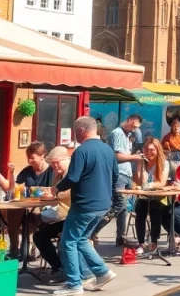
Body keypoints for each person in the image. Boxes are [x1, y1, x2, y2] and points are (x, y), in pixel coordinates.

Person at [54, 116, 118, 295]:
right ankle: (102, 272)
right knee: (81, 239)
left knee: (68, 242)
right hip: (103, 204)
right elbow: (115, 176)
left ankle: (74, 284)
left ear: (81, 130)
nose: (75, 135)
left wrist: (56, 188)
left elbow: (73, 178)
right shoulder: (107, 149)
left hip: (84, 204)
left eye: (76, 132)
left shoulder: (81, 151)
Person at [99, 114, 144, 246]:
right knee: (118, 205)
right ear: (129, 120)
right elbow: (118, 157)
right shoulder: (117, 133)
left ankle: (121, 236)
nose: (134, 129)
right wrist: (135, 157)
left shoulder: (126, 135)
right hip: (119, 174)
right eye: (134, 126)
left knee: (123, 208)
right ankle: (94, 230)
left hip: (126, 174)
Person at [7, 141, 55, 257]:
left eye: (32, 158)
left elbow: (51, 191)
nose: (29, 161)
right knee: (12, 213)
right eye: (28, 158)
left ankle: (31, 244)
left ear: (42, 155)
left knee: (34, 214)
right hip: (27, 206)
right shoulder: (27, 171)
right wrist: (11, 174)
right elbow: (15, 188)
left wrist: (30, 191)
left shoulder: (51, 171)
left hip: (47, 207)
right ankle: (14, 248)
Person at [34, 146, 72, 284]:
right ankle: (58, 268)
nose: (54, 166)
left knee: (41, 228)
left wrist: (54, 194)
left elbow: (66, 194)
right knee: (39, 233)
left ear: (67, 159)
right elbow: (53, 192)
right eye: (52, 163)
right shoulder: (58, 175)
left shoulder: (72, 174)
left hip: (71, 216)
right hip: (61, 214)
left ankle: (62, 270)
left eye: (57, 162)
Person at [133, 139, 169, 254]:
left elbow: (161, 182)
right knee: (140, 210)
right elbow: (138, 181)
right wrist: (141, 166)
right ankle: (141, 243)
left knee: (155, 211)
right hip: (144, 195)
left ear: (158, 150)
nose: (149, 152)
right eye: (146, 149)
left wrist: (148, 185)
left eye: (152, 150)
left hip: (158, 195)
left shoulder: (164, 163)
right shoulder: (143, 162)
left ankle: (154, 242)